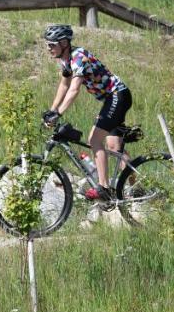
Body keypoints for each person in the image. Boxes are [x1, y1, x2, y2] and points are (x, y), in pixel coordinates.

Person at [42, 24, 131, 202]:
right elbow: (64, 85)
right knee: (114, 147)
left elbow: (74, 90)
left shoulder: (79, 57)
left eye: (52, 44)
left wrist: (58, 114)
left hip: (117, 95)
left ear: (64, 43)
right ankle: (138, 187)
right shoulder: (66, 60)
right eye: (47, 44)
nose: (48, 48)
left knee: (94, 139)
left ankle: (104, 188)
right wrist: (52, 110)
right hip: (111, 99)